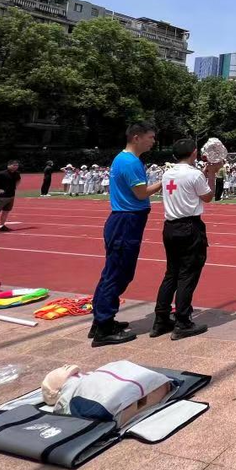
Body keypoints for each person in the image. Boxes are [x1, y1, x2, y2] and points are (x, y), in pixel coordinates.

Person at [89, 122, 162, 347]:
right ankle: (103, 327)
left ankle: (102, 319)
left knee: (114, 271)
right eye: (150, 137)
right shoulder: (130, 162)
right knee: (119, 272)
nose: (153, 141)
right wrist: (165, 181)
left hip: (125, 219)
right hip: (126, 220)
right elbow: (141, 193)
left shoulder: (125, 159)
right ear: (137, 137)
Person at [152, 138, 221, 340]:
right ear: (194, 152)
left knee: (171, 274)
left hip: (170, 226)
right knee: (187, 275)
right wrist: (212, 174)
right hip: (190, 226)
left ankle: (161, 319)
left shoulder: (167, 174)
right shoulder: (194, 175)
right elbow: (208, 197)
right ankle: (183, 321)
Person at [0, 160, 21, 235]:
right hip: (1, 197)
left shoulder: (16, 174)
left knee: (6, 212)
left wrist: (15, 187)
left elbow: (18, 179)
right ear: (9, 165)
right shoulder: (2, 173)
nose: (16, 167)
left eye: (17, 165)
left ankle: (2, 226)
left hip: (11, 196)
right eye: (14, 165)